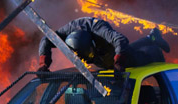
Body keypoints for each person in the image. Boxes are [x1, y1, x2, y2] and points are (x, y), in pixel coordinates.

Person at [38, 17, 170, 73]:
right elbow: (46, 40)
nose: (87, 61)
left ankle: (154, 47)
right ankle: (151, 37)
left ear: (92, 43)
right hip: (100, 52)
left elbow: (120, 40)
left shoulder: (100, 30)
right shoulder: (67, 32)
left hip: (108, 49)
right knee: (107, 62)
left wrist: (118, 62)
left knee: (134, 58)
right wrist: (43, 64)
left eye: (88, 55)